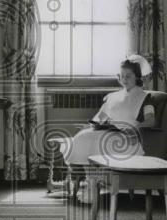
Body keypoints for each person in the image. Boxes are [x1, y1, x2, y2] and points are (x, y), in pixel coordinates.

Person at [52, 55, 156, 185]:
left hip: (128, 138)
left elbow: (151, 121)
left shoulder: (145, 97)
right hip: (111, 131)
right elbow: (100, 117)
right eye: (122, 76)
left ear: (137, 76)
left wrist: (134, 127)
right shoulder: (113, 97)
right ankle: (90, 180)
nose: (124, 79)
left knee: (99, 141)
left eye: (128, 76)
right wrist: (90, 126)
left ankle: (94, 182)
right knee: (83, 137)